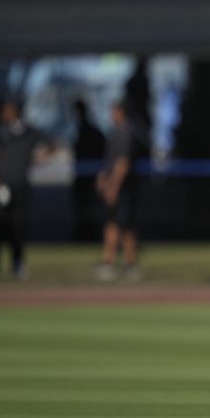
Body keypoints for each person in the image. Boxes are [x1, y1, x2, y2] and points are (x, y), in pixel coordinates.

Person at [0, 99, 56, 279]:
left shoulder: (29, 132)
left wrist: (37, 159)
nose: (4, 113)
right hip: (1, 185)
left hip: (20, 185)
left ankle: (17, 263)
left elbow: (52, 146)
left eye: (8, 109)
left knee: (18, 226)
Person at [95, 102, 140, 282]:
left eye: (114, 112)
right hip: (116, 185)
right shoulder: (115, 132)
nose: (111, 115)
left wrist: (114, 186)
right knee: (114, 222)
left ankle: (128, 263)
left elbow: (123, 163)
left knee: (124, 224)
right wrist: (103, 177)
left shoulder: (125, 132)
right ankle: (111, 261)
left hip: (124, 187)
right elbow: (110, 160)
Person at [71, 99, 106, 242]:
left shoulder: (91, 131)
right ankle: (84, 234)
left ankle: (88, 234)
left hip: (90, 176)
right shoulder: (82, 130)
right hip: (81, 176)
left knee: (89, 208)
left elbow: (103, 150)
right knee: (82, 208)